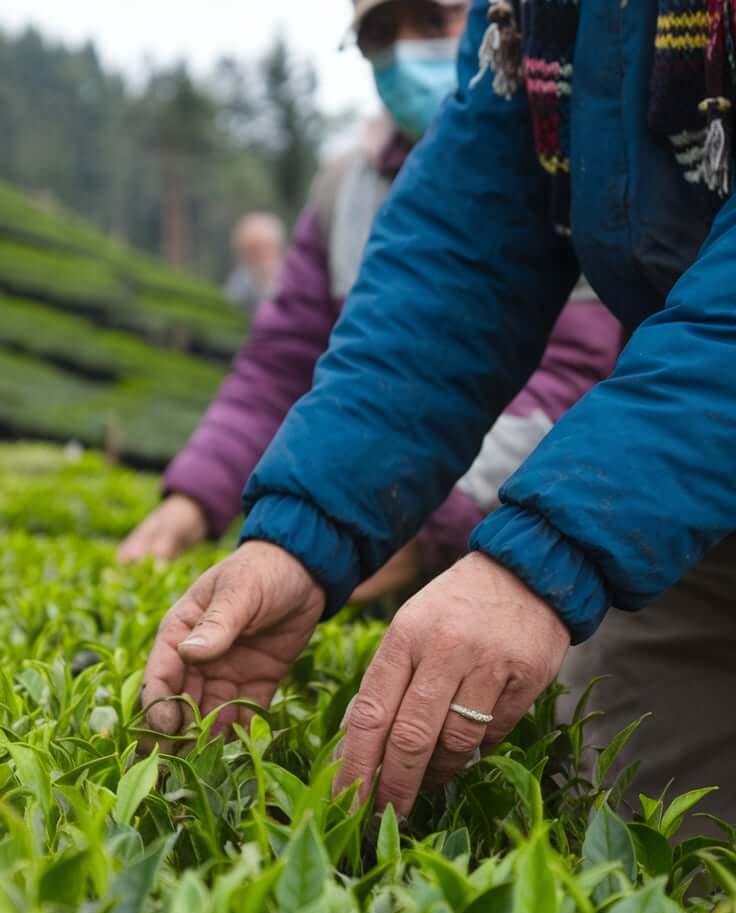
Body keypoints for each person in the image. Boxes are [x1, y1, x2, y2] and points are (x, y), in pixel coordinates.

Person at [144, 0, 731, 824]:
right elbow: (464, 254)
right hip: (698, 498)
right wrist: (305, 533)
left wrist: (545, 553)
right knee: (639, 831)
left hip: (677, 454)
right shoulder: (532, 18)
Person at [119, 0, 619, 586]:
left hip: (531, 550)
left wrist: (412, 522)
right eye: (382, 33)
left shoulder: (568, 161)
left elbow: (573, 380)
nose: (406, 52)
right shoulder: (343, 187)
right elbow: (280, 367)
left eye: (433, 22)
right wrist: (199, 493)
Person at [223, 213, 286, 313]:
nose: (262, 252)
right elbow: (228, 309)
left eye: (267, 246)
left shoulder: (291, 275)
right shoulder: (239, 281)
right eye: (254, 249)